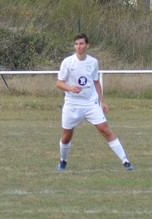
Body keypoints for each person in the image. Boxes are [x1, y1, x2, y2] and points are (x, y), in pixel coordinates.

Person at [56, 33, 133, 171]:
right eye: (76, 44)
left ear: (87, 45)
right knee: (66, 137)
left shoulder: (93, 62)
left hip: (90, 103)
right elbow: (59, 83)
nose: (79, 47)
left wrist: (102, 101)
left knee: (105, 130)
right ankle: (63, 161)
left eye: (81, 44)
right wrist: (70, 88)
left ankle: (125, 161)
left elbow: (96, 82)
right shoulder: (67, 62)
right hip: (72, 104)